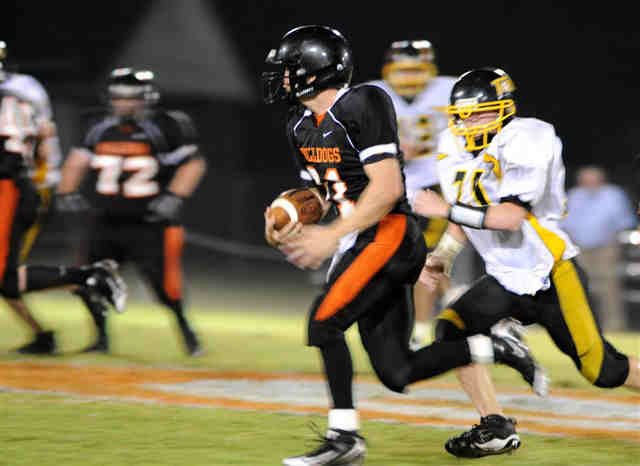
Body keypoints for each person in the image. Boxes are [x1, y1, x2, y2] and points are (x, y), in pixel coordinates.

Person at [262, 26, 547, 466]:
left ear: (315, 70)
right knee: (398, 371)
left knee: (323, 325)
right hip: (362, 238)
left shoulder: (362, 102)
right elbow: (325, 193)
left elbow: (387, 188)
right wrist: (291, 218)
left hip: (390, 232)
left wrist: (331, 235)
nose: (281, 78)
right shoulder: (298, 125)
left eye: (288, 69)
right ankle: (496, 347)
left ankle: (344, 439)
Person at [414, 67, 640, 458]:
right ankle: (495, 426)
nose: (469, 123)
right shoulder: (452, 144)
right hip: (504, 276)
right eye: (462, 115)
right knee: (451, 331)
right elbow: (467, 212)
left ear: (504, 109)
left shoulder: (530, 138)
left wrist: (444, 209)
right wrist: (443, 256)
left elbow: (509, 217)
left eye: (479, 113)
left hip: (549, 271)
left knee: (603, 370)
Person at [56, 67, 207, 356]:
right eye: (119, 97)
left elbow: (193, 163)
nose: (125, 103)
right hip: (106, 220)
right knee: (86, 280)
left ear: (146, 98)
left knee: (165, 287)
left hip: (150, 222)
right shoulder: (97, 125)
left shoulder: (166, 125)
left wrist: (174, 196)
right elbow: (77, 160)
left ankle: (188, 335)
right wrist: (67, 190)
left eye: (132, 97)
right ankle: (101, 339)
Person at [0, 41, 127, 354]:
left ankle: (89, 277)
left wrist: (46, 180)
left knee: (5, 276)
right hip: (21, 183)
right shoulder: (21, 91)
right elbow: (43, 138)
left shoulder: (14, 95)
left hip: (12, 186)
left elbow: (29, 147)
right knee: (5, 277)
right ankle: (83, 284)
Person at [368, 40, 464, 349]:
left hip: (435, 185)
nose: (409, 78)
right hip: (392, 186)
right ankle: (451, 298)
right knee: (405, 256)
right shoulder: (371, 94)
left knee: (423, 253)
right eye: (404, 71)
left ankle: (421, 330)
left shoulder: (450, 90)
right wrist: (390, 149)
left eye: (415, 70)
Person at [561, 165, 637, 330]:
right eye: (585, 180)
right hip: (578, 248)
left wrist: (613, 238)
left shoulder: (614, 194)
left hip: (606, 247)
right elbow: (563, 222)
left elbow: (625, 221)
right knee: (578, 286)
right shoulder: (573, 195)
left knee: (609, 286)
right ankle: (580, 326)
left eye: (593, 179)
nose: (589, 183)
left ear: (601, 180)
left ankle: (614, 326)